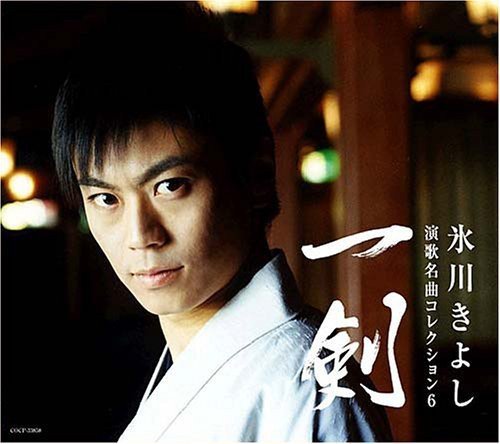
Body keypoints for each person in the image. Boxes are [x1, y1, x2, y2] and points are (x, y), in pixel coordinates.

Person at [51, 4, 392, 442]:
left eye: (170, 186)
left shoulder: (307, 389)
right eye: (105, 198)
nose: (140, 236)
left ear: (256, 174)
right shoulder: (194, 366)